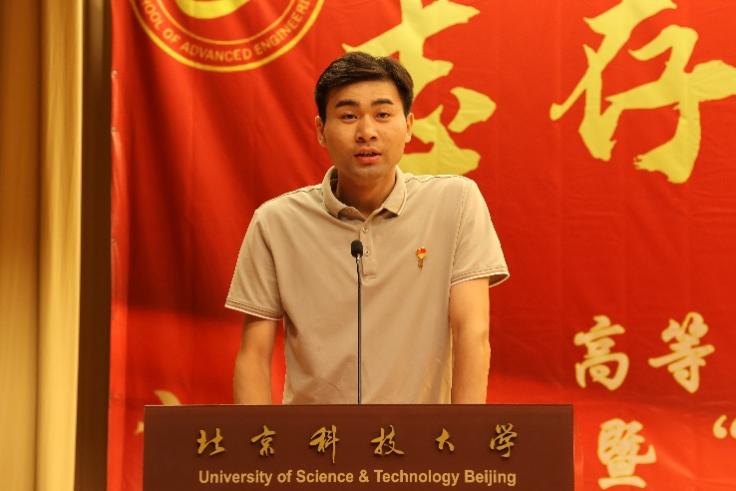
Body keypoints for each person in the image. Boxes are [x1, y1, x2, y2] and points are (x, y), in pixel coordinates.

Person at [226, 52, 508, 405]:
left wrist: (465, 433)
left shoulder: (456, 202)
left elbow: (472, 332)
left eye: (382, 114)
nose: (367, 132)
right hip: (316, 436)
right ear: (321, 131)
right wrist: (259, 440)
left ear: (409, 125)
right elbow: (254, 354)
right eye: (348, 116)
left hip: (423, 436)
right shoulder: (276, 222)